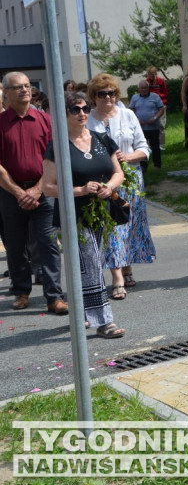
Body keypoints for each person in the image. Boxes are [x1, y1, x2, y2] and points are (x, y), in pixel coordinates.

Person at [41, 92, 126, 338]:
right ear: (64, 114)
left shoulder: (102, 139)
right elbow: (48, 187)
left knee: (92, 265)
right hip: (72, 215)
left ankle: (82, 313)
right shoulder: (57, 147)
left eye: (85, 108)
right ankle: (104, 321)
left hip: (101, 213)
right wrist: (80, 190)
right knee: (89, 263)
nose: (82, 113)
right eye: (75, 109)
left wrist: (109, 187)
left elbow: (118, 173)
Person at [0, 72, 66, 314]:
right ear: (6, 92)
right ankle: (21, 291)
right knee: (15, 244)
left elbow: (56, 158)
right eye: (18, 87)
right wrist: (19, 193)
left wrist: (37, 189)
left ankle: (54, 296)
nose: (24, 90)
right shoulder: (0, 123)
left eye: (27, 86)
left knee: (48, 244)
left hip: (44, 190)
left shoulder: (45, 120)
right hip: (10, 192)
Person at [87, 74, 155, 297]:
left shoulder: (128, 115)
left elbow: (144, 149)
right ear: (93, 96)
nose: (108, 97)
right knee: (112, 228)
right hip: (103, 181)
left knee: (128, 224)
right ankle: (117, 278)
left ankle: (127, 267)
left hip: (130, 179)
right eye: (102, 93)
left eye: (112, 93)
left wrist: (127, 157)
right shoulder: (88, 120)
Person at [128, 80, 164, 171]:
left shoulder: (155, 97)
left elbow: (161, 109)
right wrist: (136, 120)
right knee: (141, 147)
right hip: (140, 128)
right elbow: (131, 110)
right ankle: (143, 166)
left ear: (149, 88)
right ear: (139, 89)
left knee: (155, 147)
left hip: (153, 127)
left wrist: (155, 118)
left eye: (146, 88)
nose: (144, 89)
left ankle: (157, 166)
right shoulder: (134, 98)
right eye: (142, 88)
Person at [145, 67, 168, 150]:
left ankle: (160, 144)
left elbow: (165, 92)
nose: (151, 77)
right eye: (149, 75)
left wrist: (158, 97)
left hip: (161, 105)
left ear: (155, 74)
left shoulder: (161, 81)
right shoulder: (146, 82)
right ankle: (149, 145)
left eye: (152, 75)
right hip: (150, 106)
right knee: (150, 125)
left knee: (161, 124)